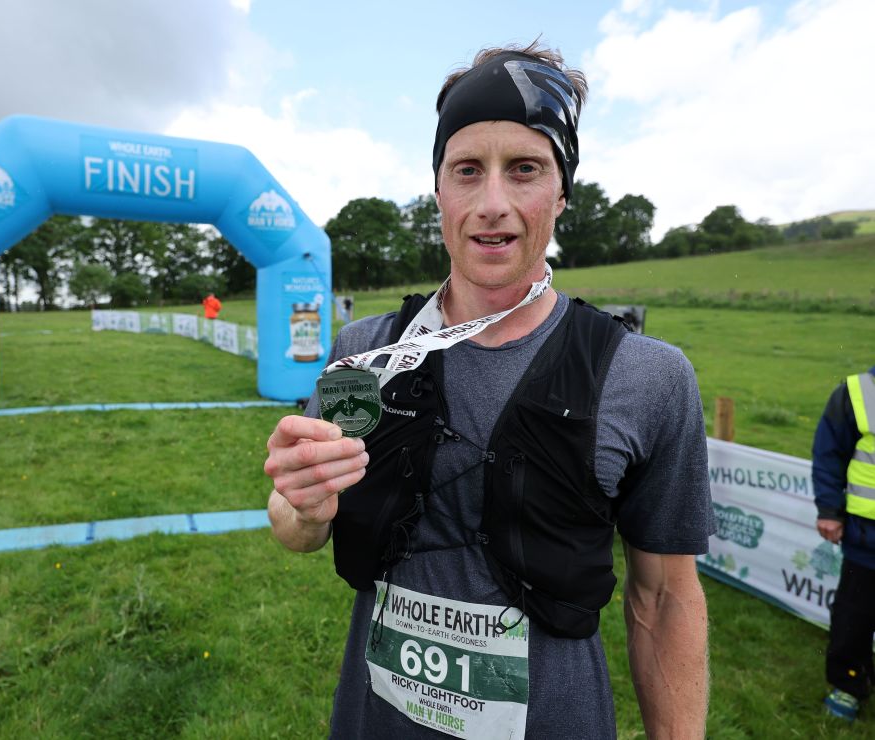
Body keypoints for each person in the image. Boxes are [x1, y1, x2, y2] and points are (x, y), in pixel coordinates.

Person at [263, 42, 712, 738]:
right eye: (467, 170)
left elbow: (664, 601)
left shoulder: (648, 378)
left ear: (562, 193)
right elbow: (296, 529)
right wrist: (304, 506)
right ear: (438, 189)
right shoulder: (365, 355)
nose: (493, 205)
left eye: (525, 169)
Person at [813, 366, 875, 722]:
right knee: (855, 616)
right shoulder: (857, 392)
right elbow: (828, 453)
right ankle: (848, 686)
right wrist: (830, 510)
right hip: (867, 537)